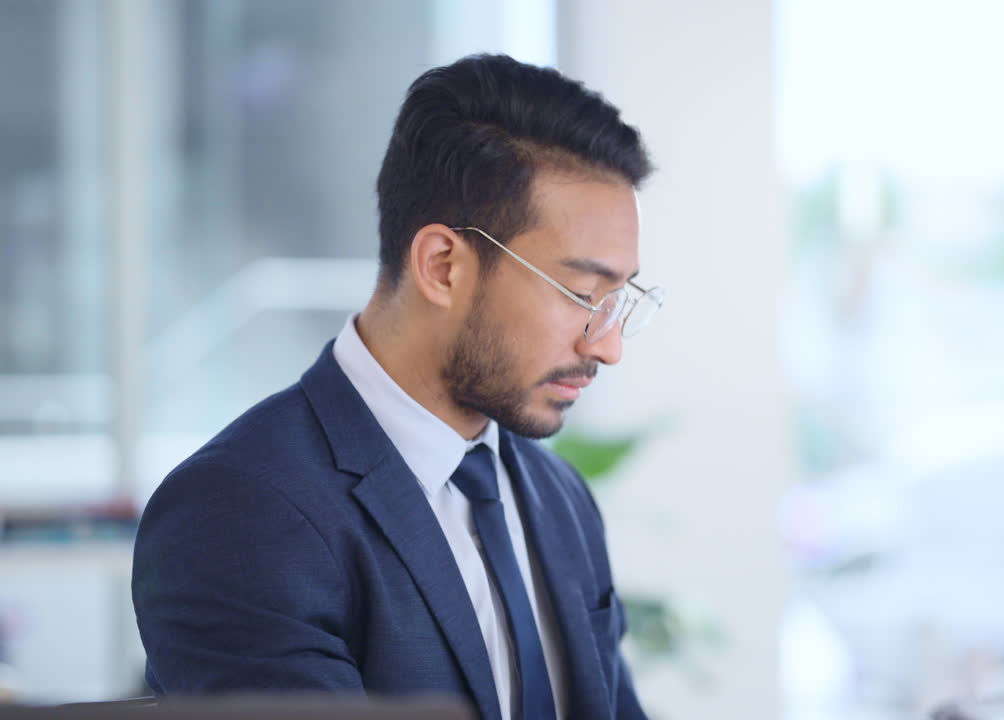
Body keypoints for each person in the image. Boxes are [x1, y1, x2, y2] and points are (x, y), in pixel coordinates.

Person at [131, 53, 661, 720]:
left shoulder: (560, 498)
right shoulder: (239, 512)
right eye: (582, 293)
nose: (607, 346)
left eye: (619, 300)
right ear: (442, 267)